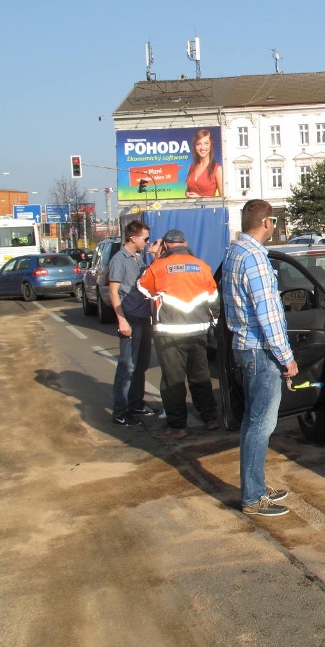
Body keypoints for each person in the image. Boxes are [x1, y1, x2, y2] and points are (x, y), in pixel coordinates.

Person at [223, 200, 298, 517]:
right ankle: (252, 497)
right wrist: (287, 358)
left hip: (244, 345)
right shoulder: (253, 258)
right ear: (267, 222)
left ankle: (253, 485)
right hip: (260, 349)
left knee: (252, 422)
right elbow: (267, 314)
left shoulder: (235, 252)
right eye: (275, 221)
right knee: (260, 425)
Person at [137, 228, 220, 438]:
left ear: (165, 245)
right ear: (185, 243)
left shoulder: (159, 266)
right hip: (198, 331)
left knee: (173, 380)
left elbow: (143, 288)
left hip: (169, 333)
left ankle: (177, 426)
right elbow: (213, 299)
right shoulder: (202, 266)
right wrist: (214, 322)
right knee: (200, 375)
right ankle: (210, 418)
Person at [108, 219, 156, 427]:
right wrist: (122, 320)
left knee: (141, 365)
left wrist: (154, 255)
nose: (147, 242)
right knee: (127, 366)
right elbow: (113, 292)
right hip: (130, 319)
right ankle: (120, 412)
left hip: (143, 318)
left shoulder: (139, 258)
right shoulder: (120, 260)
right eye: (145, 238)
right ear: (133, 238)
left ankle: (136, 404)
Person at [185, 129, 223, 198]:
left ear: (211, 145)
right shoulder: (191, 167)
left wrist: (200, 198)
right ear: (195, 146)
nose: (202, 147)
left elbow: (223, 198)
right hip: (191, 208)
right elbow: (188, 190)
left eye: (206, 143)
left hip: (208, 208)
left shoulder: (217, 169)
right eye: (199, 144)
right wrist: (187, 194)